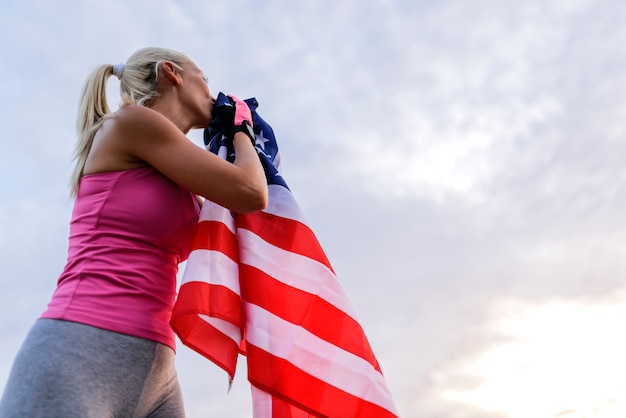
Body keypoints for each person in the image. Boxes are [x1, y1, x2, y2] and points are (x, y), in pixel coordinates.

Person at [0, 47, 267, 417]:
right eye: (203, 78)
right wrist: (241, 129)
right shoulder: (131, 122)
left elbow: (243, 207)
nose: (210, 90)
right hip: (81, 348)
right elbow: (250, 192)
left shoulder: (181, 181)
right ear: (171, 73)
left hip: (157, 369)